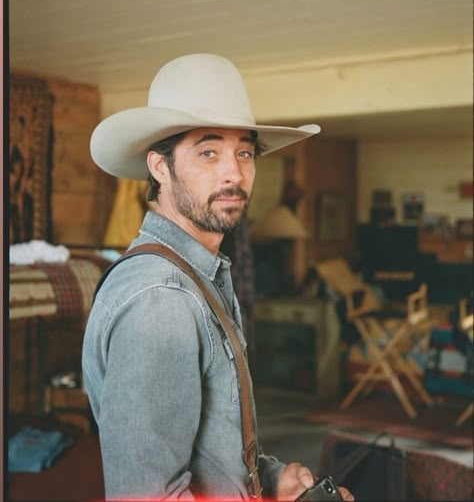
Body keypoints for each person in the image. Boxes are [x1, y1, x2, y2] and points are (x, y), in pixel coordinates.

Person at [83, 53, 353, 501]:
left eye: (243, 152)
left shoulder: (198, 277)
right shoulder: (161, 298)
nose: (234, 173)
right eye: (208, 152)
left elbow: (208, 449)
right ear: (159, 167)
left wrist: (268, 479)